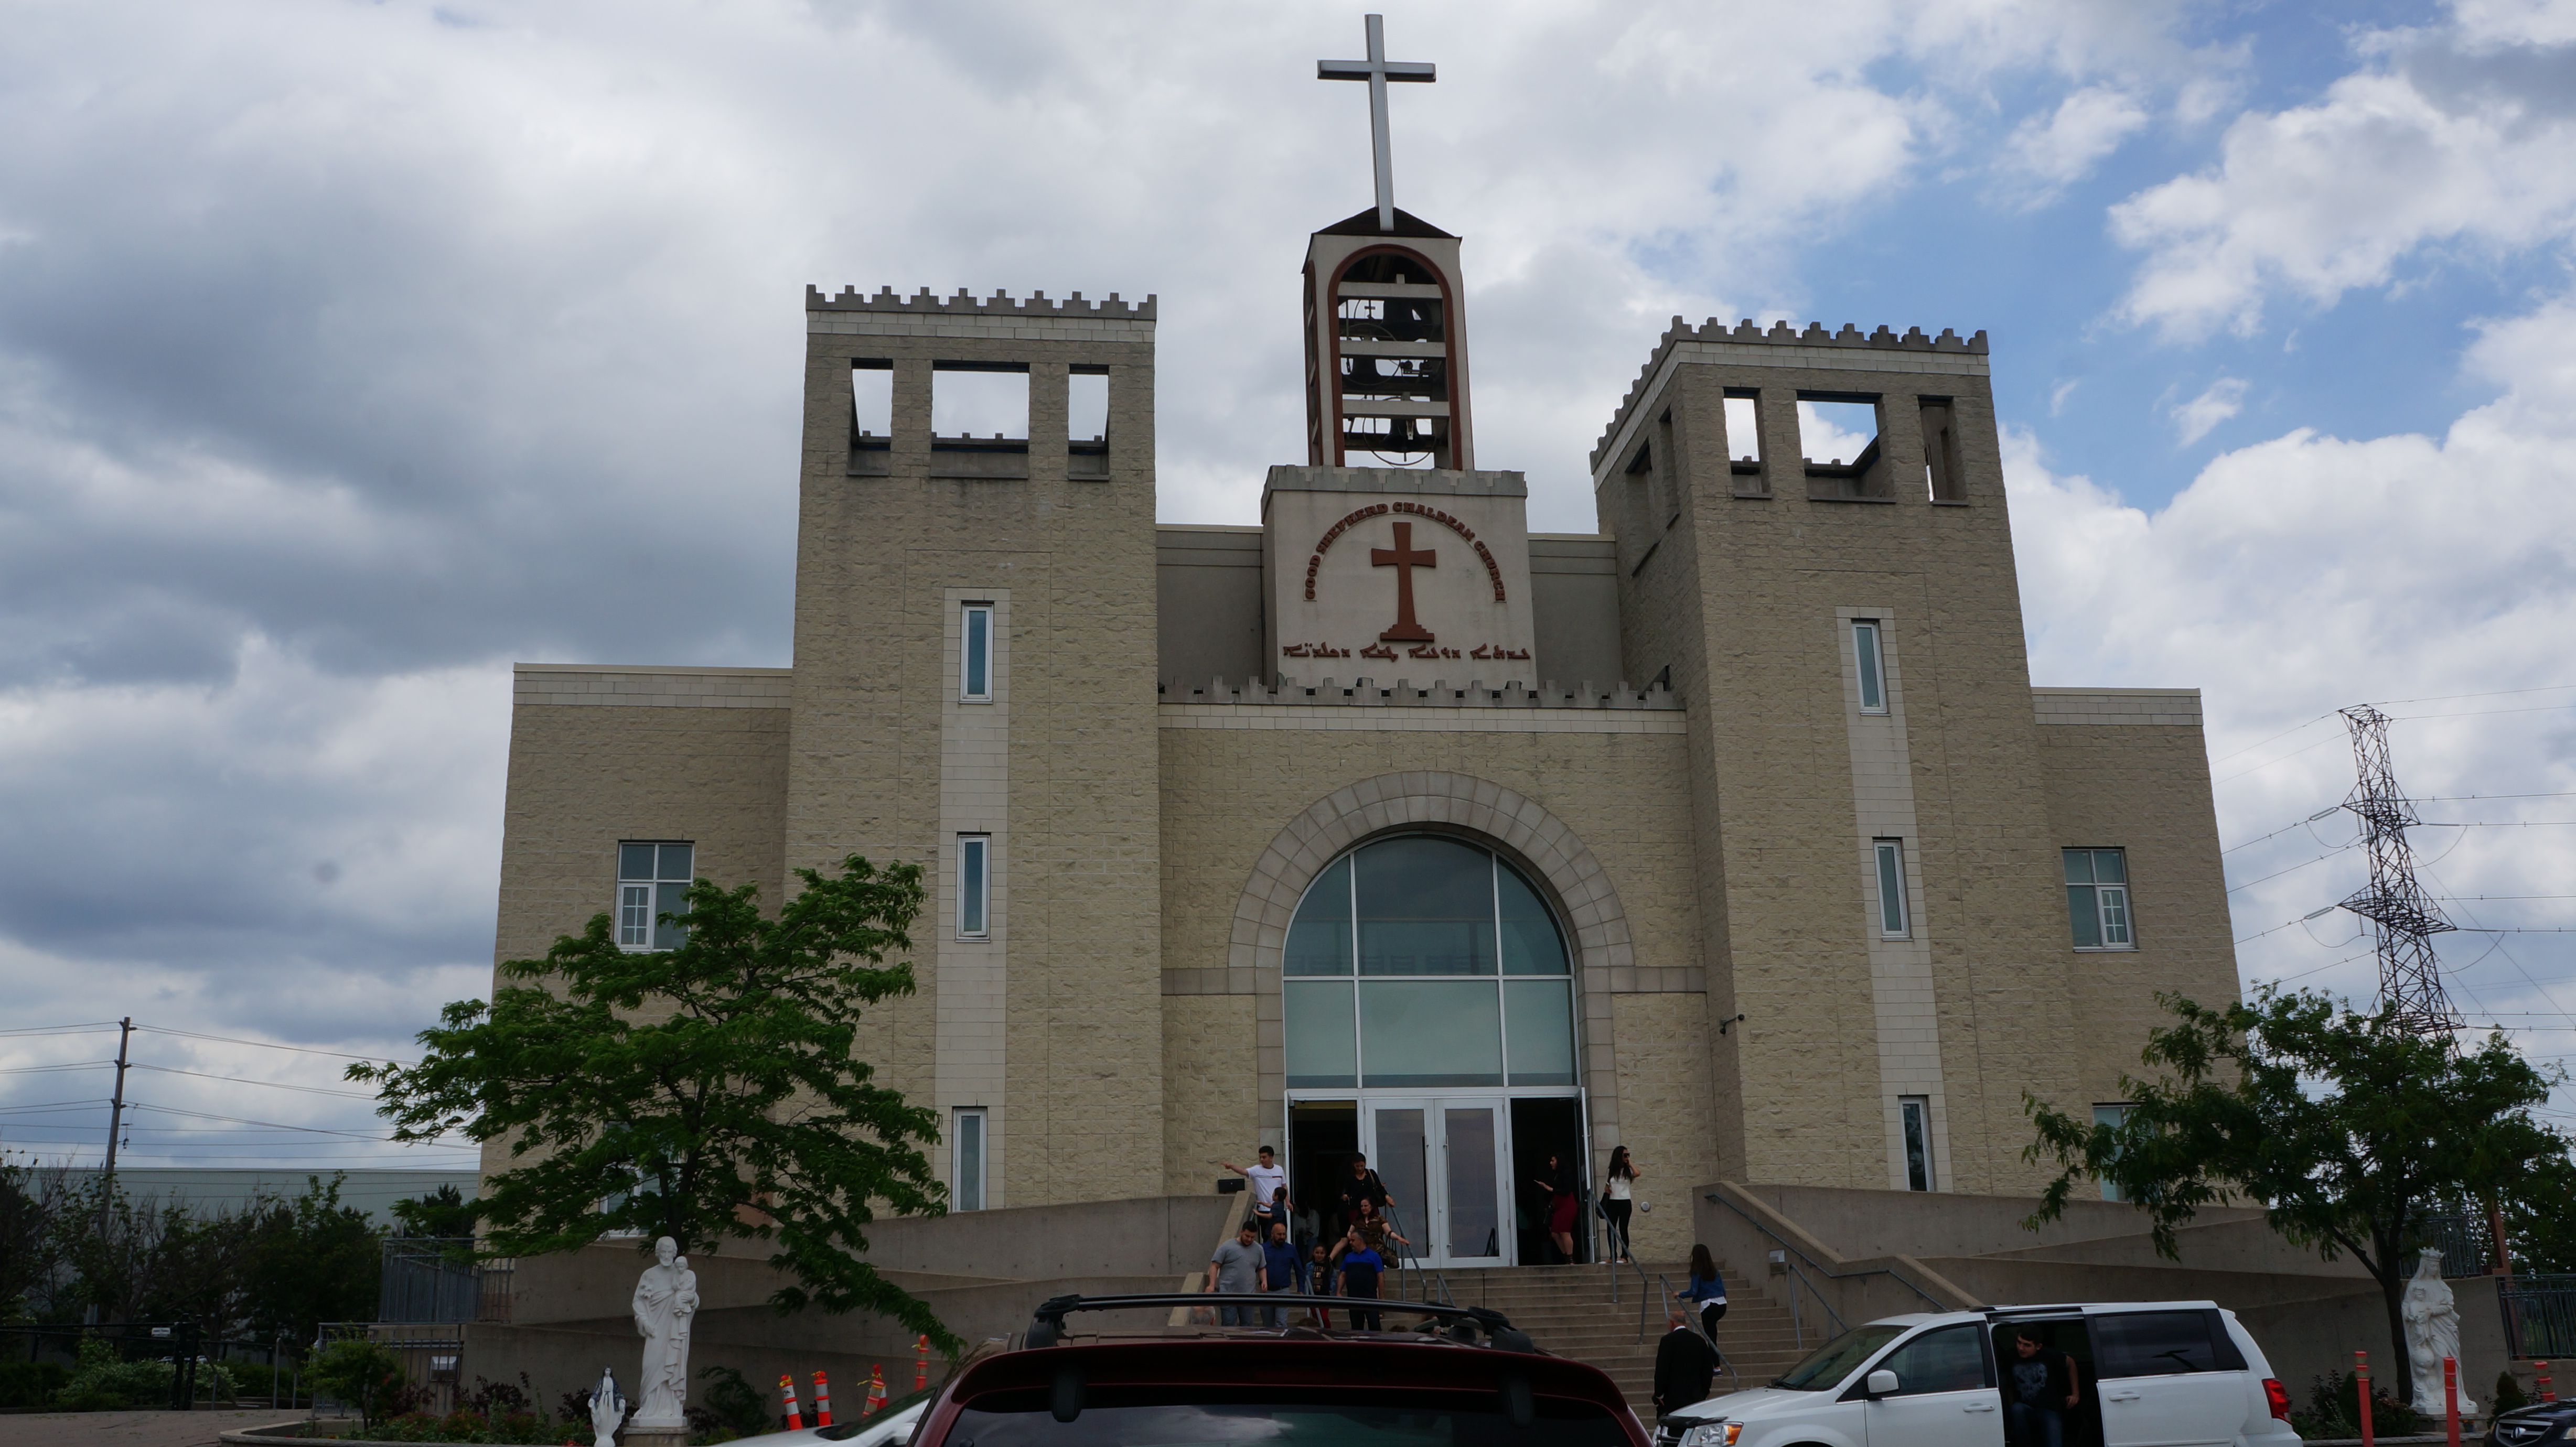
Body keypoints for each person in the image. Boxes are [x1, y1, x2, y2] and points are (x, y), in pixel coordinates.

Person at [2006, 1327, 2079, 1447]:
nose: (2021, 1348)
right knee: (2017, 1409)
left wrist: (2076, 1394)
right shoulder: (2011, 1356)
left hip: (2049, 1409)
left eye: (2027, 1345)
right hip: (2025, 1408)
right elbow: (2008, 1384)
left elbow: (2070, 1363)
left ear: (2038, 1347)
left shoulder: (2049, 1355)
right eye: (2019, 1342)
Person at [1651, 1308, 1719, 1422]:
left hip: (1672, 1396)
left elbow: (1662, 1369)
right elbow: (1708, 1369)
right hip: (1695, 1395)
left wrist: (1659, 1394)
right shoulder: (1699, 1341)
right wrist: (1704, 1391)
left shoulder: (1668, 1340)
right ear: (1685, 1323)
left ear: (1672, 1323)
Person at [1221, 1147, 1290, 1241]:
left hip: (1279, 1211)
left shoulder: (1279, 1170)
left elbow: (1284, 1187)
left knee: (1281, 1237)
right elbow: (1244, 1171)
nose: (1262, 1160)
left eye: (1264, 1157)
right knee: (1267, 1237)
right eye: (1260, 1157)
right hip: (1264, 1210)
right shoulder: (1256, 1170)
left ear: (1271, 1157)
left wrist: (1288, 1202)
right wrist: (1232, 1167)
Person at [1207, 1221, 1266, 1326]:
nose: (1249, 1240)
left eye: (1252, 1237)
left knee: (1247, 1326)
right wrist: (1212, 1285)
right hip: (1228, 1295)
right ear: (1241, 1232)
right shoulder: (1227, 1246)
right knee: (1229, 1324)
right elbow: (1215, 1266)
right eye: (1247, 1236)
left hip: (1248, 1296)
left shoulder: (1258, 1249)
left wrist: (1264, 1281)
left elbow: (1261, 1268)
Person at [1528, 1153, 1580, 1262]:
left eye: (1553, 1161)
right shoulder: (1558, 1174)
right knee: (1555, 1233)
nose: (1551, 1163)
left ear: (1559, 1161)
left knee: (1565, 1232)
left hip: (1567, 1206)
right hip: (1559, 1207)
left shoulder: (1567, 1173)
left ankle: (1571, 1259)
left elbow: (1567, 1191)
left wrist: (1549, 1188)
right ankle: (1566, 1255)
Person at [1336, 1227, 1385, 1331]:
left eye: (1353, 1240)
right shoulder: (1349, 1257)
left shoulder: (1374, 1256)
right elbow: (1343, 1275)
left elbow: (1380, 1277)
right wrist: (1339, 1292)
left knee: (1374, 1325)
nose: (1350, 1243)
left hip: (1370, 1298)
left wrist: (1382, 1297)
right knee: (1356, 1327)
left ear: (1360, 1241)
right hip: (1353, 1298)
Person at [1673, 1243, 1727, 1337]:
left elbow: (1694, 1291)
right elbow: (1722, 1289)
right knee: (1712, 1330)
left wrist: (1680, 1294)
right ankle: (1713, 1351)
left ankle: (1713, 1351)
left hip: (1709, 1304)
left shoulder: (1697, 1272)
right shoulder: (1715, 1271)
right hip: (1722, 1304)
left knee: (1710, 1333)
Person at [1336, 1153, 1392, 1238]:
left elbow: (1380, 1188)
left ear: (1365, 1164)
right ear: (1353, 1165)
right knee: (1359, 1234)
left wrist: (1387, 1197)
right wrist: (1346, 1196)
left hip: (1372, 1208)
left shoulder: (1371, 1174)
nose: (1360, 1168)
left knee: (1375, 1231)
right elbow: (1348, 1191)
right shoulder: (1351, 1177)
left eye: (1362, 1166)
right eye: (1357, 1166)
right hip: (1356, 1210)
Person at [1602, 1147, 1640, 1265]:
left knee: (1623, 1228)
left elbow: (1638, 1173)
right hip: (1613, 1201)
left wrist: (1629, 1164)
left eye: (1628, 1155)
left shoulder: (1628, 1171)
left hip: (1625, 1201)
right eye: (1625, 1155)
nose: (1627, 1157)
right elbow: (1607, 1186)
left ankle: (1625, 1256)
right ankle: (1613, 1255)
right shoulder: (1612, 1170)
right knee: (1611, 1229)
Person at [1261, 1220, 1304, 1327]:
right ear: (1272, 1234)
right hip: (1266, 1291)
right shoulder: (1263, 1249)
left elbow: (1299, 1270)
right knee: (1267, 1325)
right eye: (1279, 1234)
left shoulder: (1291, 1249)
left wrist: (1301, 1289)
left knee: (1281, 1323)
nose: (1282, 1237)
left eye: (1284, 1234)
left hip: (1283, 1291)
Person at [1307, 1240, 1338, 1329]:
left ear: (1325, 1254)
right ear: (1313, 1253)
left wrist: (1333, 1294)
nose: (1319, 1255)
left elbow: (1333, 1280)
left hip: (1325, 1296)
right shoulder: (1309, 1266)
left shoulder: (1329, 1267)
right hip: (1313, 1296)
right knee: (1315, 1316)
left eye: (1322, 1253)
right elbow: (1306, 1280)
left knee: (1324, 1317)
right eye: (1317, 1253)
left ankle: (1327, 1330)